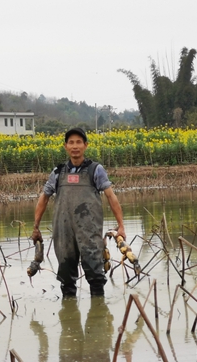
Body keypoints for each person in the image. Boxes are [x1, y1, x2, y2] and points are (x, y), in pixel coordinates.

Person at [31, 127, 126, 297]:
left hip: (89, 232)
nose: (75, 146)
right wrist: (36, 227)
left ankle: (97, 315)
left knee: (96, 276)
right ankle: (69, 311)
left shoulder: (95, 170)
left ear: (85, 145)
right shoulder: (58, 173)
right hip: (64, 232)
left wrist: (121, 226)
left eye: (79, 142)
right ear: (66, 146)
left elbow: (111, 197)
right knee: (66, 279)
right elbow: (43, 198)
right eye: (71, 142)